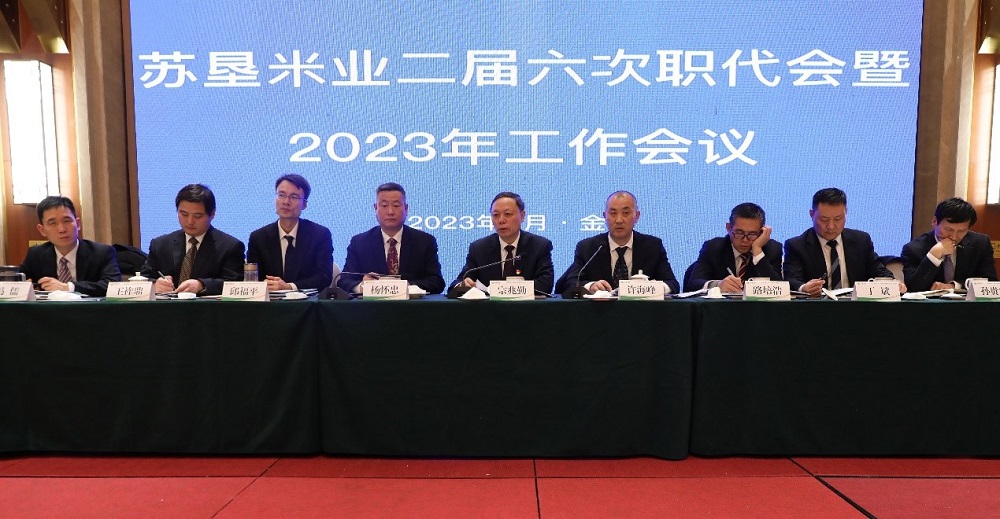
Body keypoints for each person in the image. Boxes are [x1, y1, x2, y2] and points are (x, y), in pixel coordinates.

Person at [784, 187, 905, 297]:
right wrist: (804, 288)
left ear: (846, 212)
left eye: (838, 219)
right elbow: (792, 280)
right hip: (818, 308)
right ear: (812, 214)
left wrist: (893, 283)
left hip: (855, 307)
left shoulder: (861, 240)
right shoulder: (797, 246)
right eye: (824, 219)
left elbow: (878, 270)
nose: (831, 226)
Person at [555, 191, 679, 294]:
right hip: (599, 313)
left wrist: (651, 288)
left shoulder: (652, 246)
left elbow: (672, 285)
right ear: (604, 216)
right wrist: (591, 286)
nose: (619, 220)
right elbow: (569, 283)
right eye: (613, 213)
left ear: (637, 216)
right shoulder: (588, 247)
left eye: (626, 213)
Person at [338, 182, 445, 294]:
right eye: (384, 206)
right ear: (375, 208)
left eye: (396, 205)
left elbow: (436, 282)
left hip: (411, 304)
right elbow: (344, 281)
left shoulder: (424, 241)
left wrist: (406, 287)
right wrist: (362, 286)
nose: (390, 212)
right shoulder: (360, 243)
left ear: (406, 208)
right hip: (372, 304)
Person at [141, 184, 245, 295]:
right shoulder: (160, 245)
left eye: (198, 216)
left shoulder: (230, 247)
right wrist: (155, 284)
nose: (190, 221)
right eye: (184, 214)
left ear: (212, 214)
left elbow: (234, 284)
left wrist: (202, 285)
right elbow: (143, 279)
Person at [452, 191, 554, 294]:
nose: (501, 220)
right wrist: (463, 285)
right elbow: (458, 283)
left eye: (508, 214)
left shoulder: (539, 246)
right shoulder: (479, 249)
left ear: (522, 216)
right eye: (495, 215)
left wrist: (501, 290)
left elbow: (545, 286)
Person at [19, 196, 120, 296]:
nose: (62, 229)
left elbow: (113, 286)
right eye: (53, 223)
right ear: (42, 230)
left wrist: (68, 287)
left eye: (67, 221)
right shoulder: (36, 254)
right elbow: (19, 281)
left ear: (78, 224)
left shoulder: (102, 252)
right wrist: (22, 287)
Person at [247, 174, 333, 291]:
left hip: (306, 301)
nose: (286, 202)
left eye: (294, 197)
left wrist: (289, 287)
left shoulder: (319, 235)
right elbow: (253, 279)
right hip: (270, 300)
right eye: (281, 195)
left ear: (305, 204)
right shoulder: (258, 238)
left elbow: (324, 277)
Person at [901, 197, 998, 291]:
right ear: (935, 221)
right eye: (949, 229)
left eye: (961, 231)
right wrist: (934, 255)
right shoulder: (913, 249)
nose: (954, 237)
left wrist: (955, 286)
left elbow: (990, 282)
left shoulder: (980, 243)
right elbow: (913, 288)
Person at [684, 202, 782, 292]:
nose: (745, 240)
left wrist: (757, 250)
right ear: (728, 228)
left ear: (761, 232)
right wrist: (718, 285)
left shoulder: (772, 249)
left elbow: (780, 290)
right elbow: (693, 284)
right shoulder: (713, 248)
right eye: (739, 233)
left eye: (752, 234)